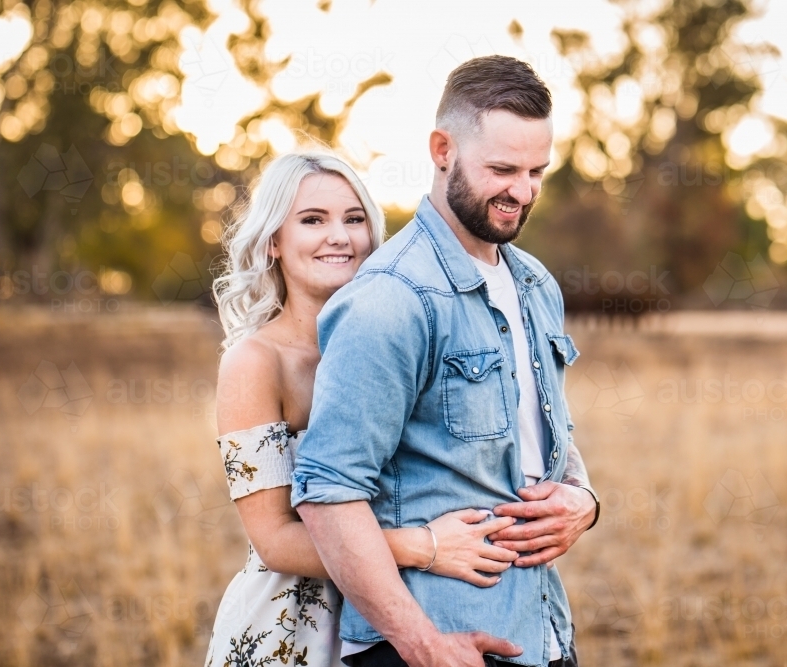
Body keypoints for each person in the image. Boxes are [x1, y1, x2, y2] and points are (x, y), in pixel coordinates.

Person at [291, 56, 599, 667]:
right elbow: (328, 493)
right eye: (503, 170)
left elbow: (547, 441)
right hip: (431, 645)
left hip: (541, 634)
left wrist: (585, 503)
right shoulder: (391, 298)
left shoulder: (536, 285)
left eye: (538, 171)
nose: (523, 191)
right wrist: (421, 642)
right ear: (441, 150)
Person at [204, 151, 521, 667]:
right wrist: (424, 546)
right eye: (313, 220)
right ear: (272, 245)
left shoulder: (390, 339)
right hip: (297, 626)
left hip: (396, 613)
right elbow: (275, 542)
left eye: (354, 220)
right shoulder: (255, 363)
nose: (340, 237)